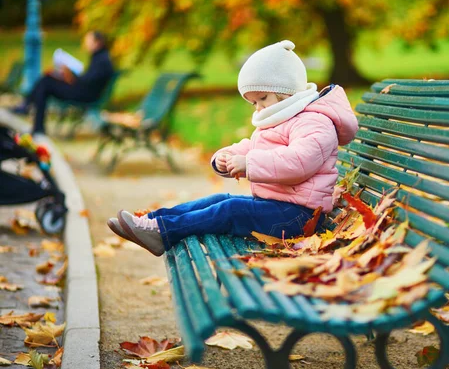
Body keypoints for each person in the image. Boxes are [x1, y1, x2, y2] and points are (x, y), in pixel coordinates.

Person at [106, 40, 359, 256]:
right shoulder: (284, 117)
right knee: (220, 200)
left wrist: (249, 165)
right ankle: (151, 222)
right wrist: (227, 156)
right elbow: (252, 145)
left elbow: (298, 162)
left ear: (287, 92)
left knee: (231, 210)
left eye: (262, 99)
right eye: (253, 103)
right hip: (277, 208)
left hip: (300, 218)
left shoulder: (315, 121)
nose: (258, 108)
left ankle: (163, 233)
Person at [12, 31, 114, 135]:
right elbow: (89, 80)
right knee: (47, 79)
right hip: (83, 91)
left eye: (88, 41)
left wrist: (70, 75)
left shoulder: (102, 60)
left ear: (97, 43)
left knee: (46, 83)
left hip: (85, 95)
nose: (85, 44)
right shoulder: (100, 57)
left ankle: (30, 111)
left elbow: (88, 81)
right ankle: (30, 111)